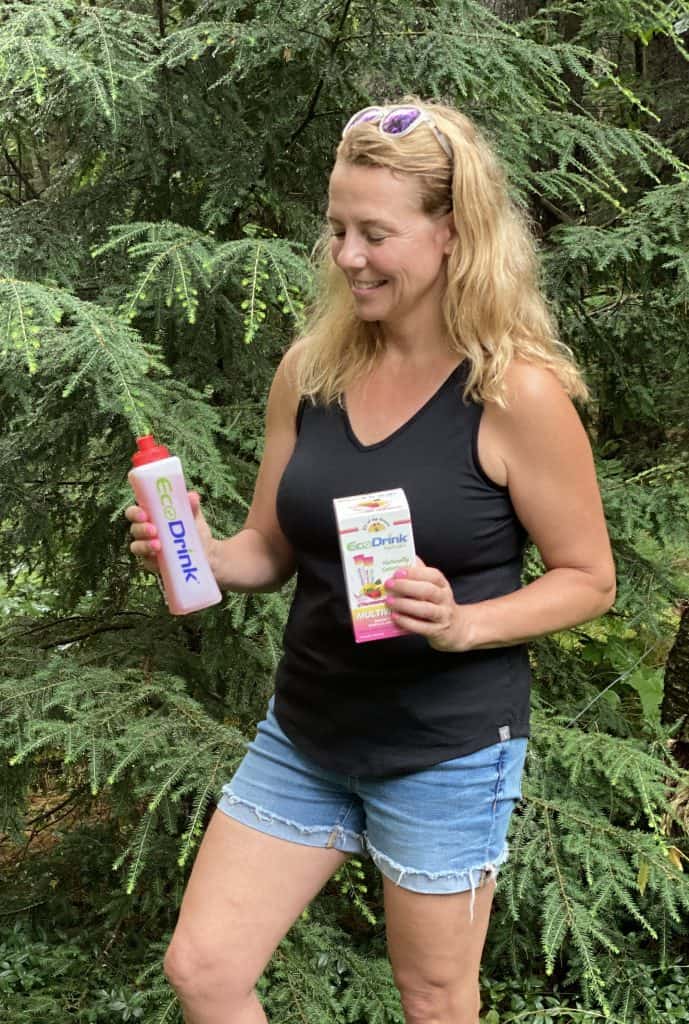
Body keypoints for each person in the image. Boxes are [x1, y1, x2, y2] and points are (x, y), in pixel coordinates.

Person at [125, 98, 616, 1024]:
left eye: (374, 233)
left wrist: (465, 621)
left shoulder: (515, 393)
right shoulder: (311, 370)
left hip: (445, 750)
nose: (347, 256)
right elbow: (267, 549)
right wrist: (195, 548)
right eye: (337, 229)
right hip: (306, 733)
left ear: (451, 235)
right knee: (204, 970)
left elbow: (587, 578)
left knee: (433, 1000)